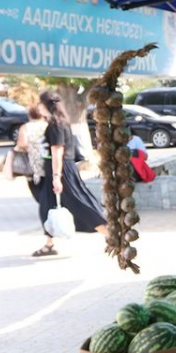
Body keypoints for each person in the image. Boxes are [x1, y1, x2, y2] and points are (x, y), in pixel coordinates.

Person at [30, 91, 107, 256]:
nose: (38, 106)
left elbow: (58, 151)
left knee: (79, 203)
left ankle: (110, 234)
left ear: (46, 105)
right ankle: (49, 244)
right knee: (46, 206)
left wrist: (57, 177)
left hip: (62, 170)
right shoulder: (56, 122)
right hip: (57, 170)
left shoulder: (56, 124)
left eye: (40, 103)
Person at [9, 104, 53, 255]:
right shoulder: (48, 125)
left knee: (42, 203)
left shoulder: (26, 127)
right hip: (49, 168)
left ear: (30, 115)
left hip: (33, 170)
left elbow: (21, 144)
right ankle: (51, 236)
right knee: (48, 202)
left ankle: (50, 239)